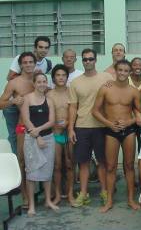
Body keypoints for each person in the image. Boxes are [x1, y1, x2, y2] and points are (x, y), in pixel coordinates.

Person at [92, 59, 141, 212]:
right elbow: (95, 111)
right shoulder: (105, 88)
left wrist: (130, 122)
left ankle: (130, 199)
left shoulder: (133, 91)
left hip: (128, 132)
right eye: (119, 70)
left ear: (130, 72)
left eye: (125, 71)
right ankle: (109, 201)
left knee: (129, 165)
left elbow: (140, 113)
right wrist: (108, 123)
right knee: (111, 166)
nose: (122, 73)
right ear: (115, 70)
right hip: (111, 131)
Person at [68, 48, 114, 207]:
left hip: (102, 126)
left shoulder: (107, 77)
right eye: (85, 59)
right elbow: (73, 107)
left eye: (90, 59)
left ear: (95, 60)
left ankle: (104, 192)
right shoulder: (75, 83)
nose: (88, 61)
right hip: (82, 126)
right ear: (82, 61)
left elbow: (114, 96)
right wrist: (70, 129)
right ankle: (83, 194)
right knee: (83, 162)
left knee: (103, 161)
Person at [0, 52, 36, 208]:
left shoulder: (39, 79)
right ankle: (25, 196)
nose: (28, 65)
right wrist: (13, 101)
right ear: (20, 65)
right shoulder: (14, 83)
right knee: (22, 161)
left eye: (30, 62)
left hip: (39, 126)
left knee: (40, 161)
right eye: (25, 62)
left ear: (35, 64)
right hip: (22, 126)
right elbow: (1, 103)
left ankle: (43, 192)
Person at [21, 73, 58, 216]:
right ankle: (31, 205)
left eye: (44, 81)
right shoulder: (27, 99)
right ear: (34, 83)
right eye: (39, 82)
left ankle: (48, 200)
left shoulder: (49, 100)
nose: (42, 84)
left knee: (47, 172)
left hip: (48, 138)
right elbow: (26, 120)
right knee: (32, 173)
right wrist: (36, 136)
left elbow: (51, 121)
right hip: (31, 139)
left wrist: (39, 131)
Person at [47, 64, 75, 206]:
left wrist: (69, 122)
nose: (61, 77)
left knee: (70, 164)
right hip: (55, 134)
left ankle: (70, 194)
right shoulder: (49, 94)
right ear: (53, 78)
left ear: (67, 77)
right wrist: (54, 124)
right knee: (57, 166)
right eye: (58, 75)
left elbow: (76, 111)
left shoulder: (71, 92)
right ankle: (57, 194)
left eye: (63, 75)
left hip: (69, 133)